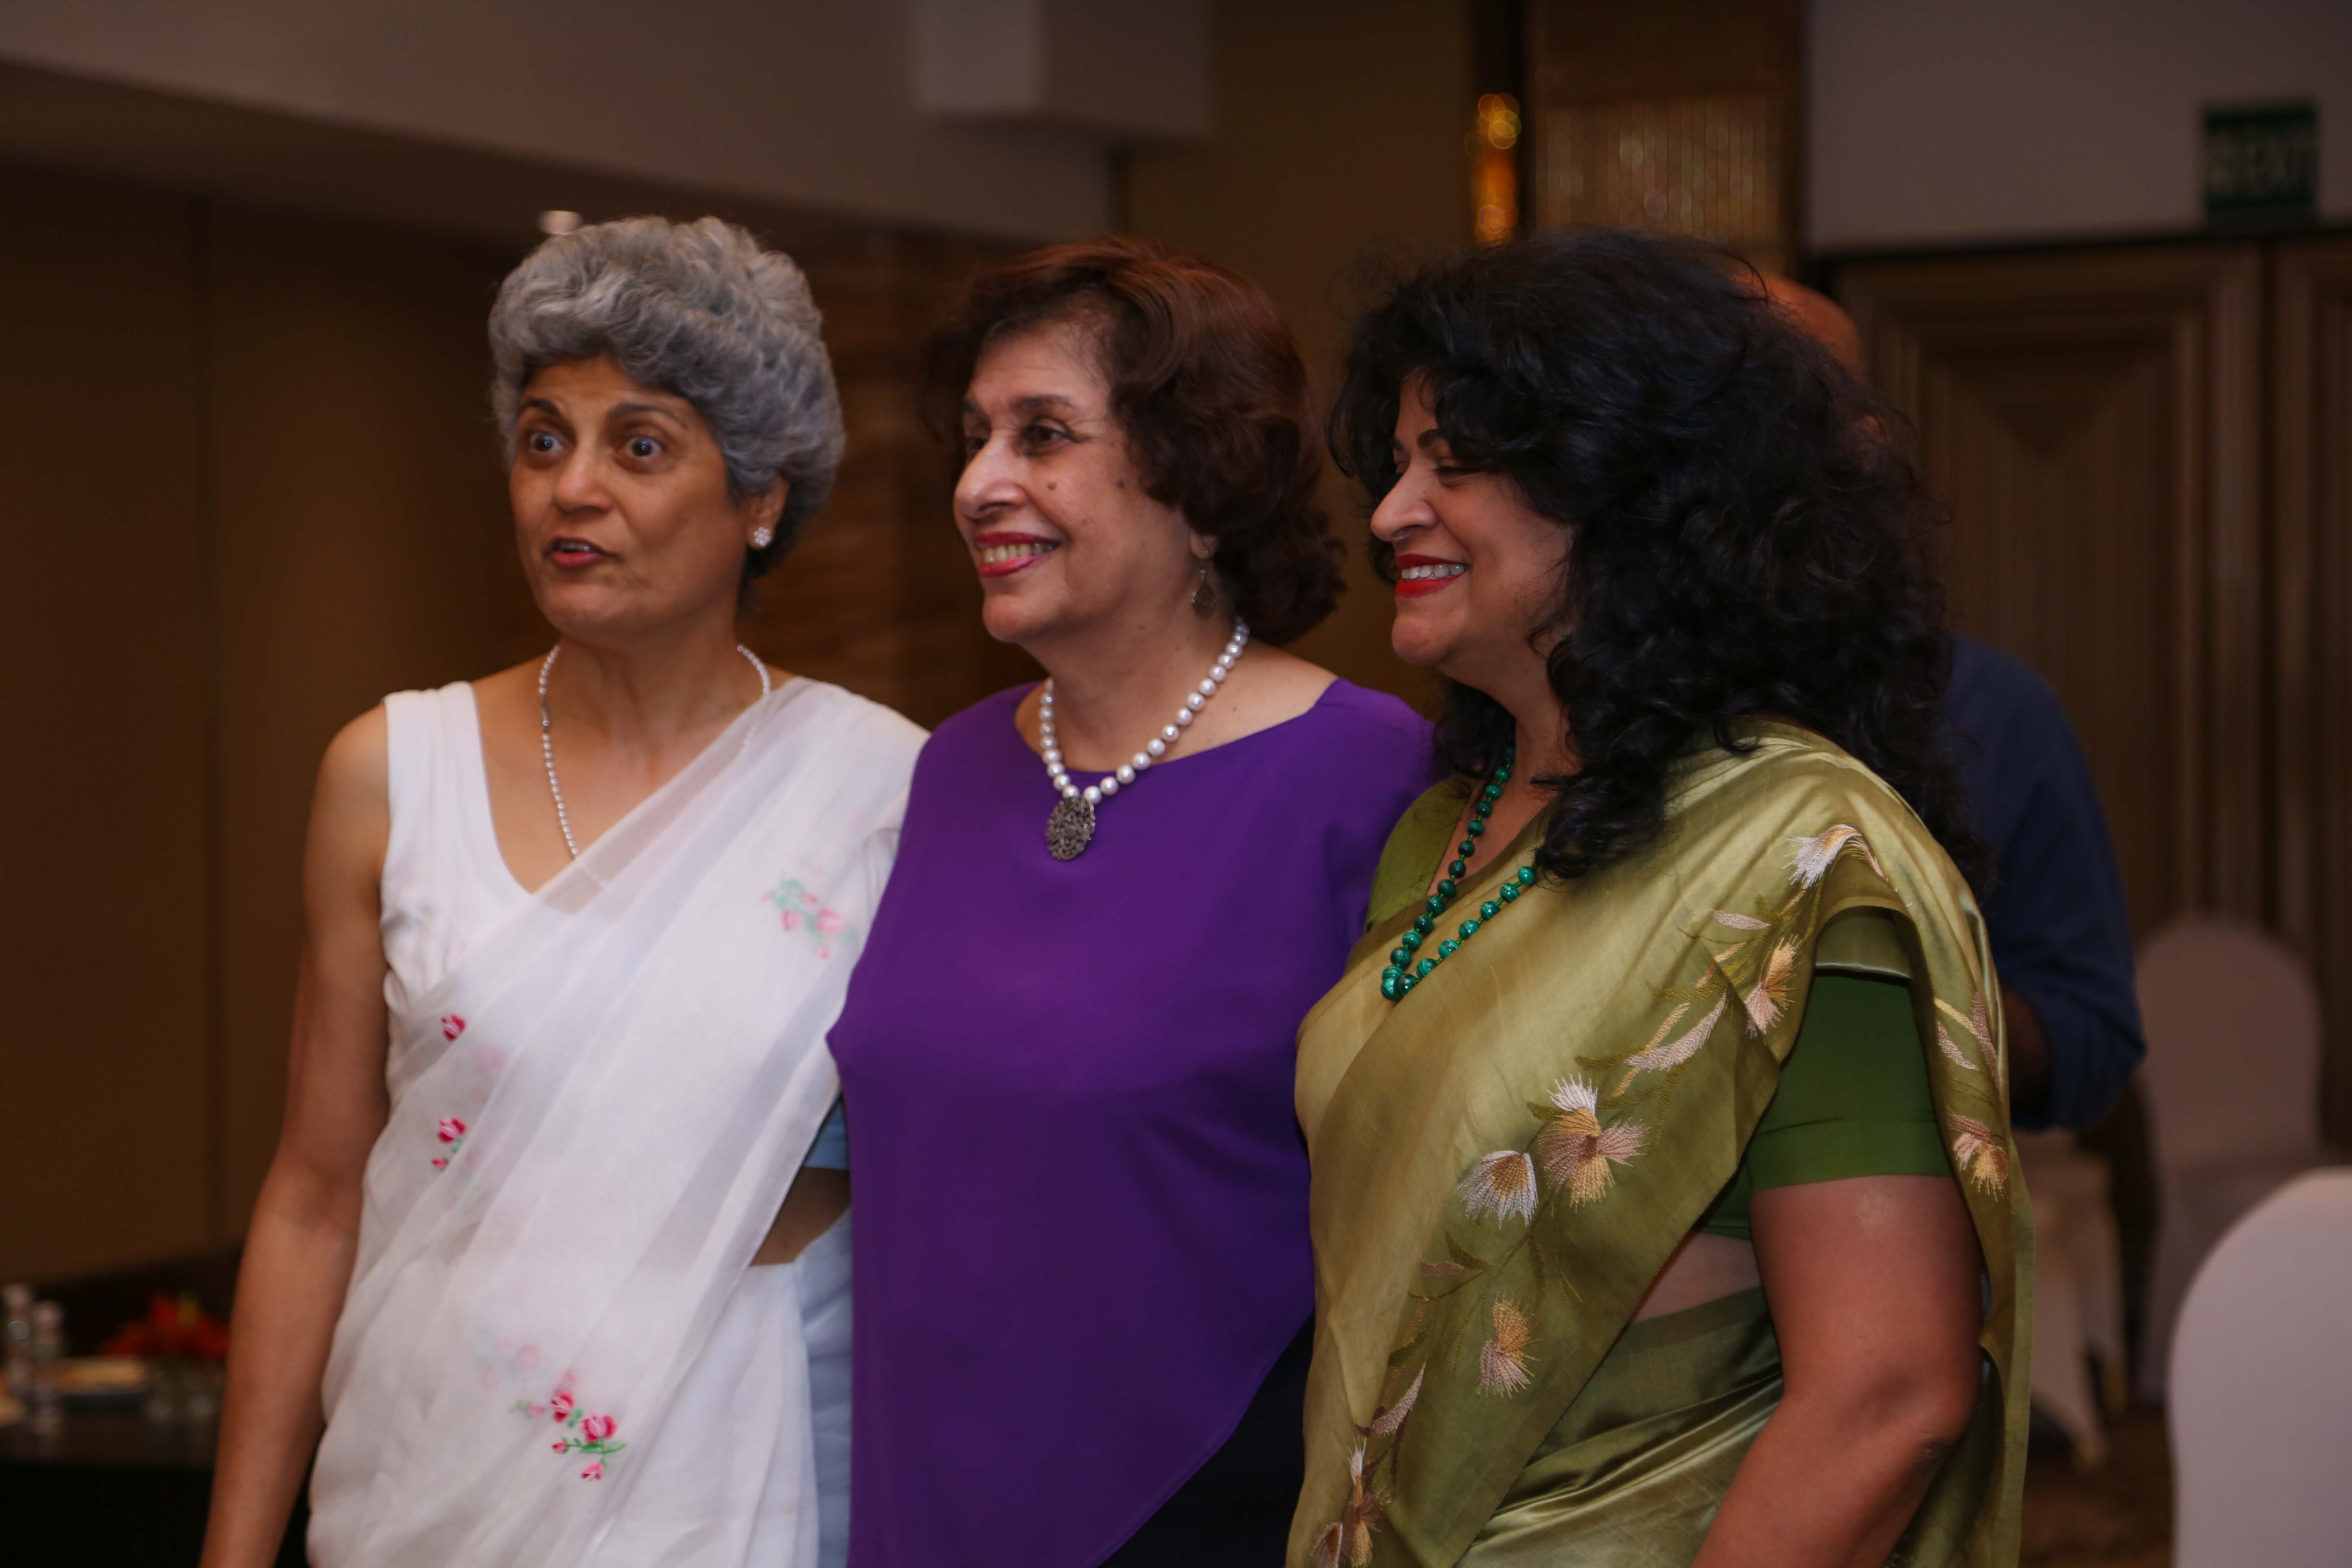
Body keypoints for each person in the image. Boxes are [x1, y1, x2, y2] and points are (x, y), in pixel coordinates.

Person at [1291, 231, 2029, 1567]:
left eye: (1452, 463)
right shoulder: (1441, 836)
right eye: (1395, 465)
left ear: (1628, 490)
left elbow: (1887, 1398)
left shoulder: (1804, 858)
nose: (1393, 512)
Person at [200, 217, 919, 1568]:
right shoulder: (389, 774)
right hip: (433, 1468)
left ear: (761, 499)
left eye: (639, 447)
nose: (570, 489)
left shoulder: (882, 790)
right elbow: (314, 1195)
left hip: (745, 1468)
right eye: (543, 441)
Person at [826, 238, 1432, 1567]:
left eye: (1043, 435)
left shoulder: (1369, 775)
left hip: (1210, 1511)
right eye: (976, 438)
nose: (979, 485)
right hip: (923, 1501)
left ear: (1200, 482)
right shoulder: (954, 768)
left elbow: (1433, 1212)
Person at [1758, 275, 2147, 1130]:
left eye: (1833, 411)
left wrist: (1910, 994)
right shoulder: (1557, 706)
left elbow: (2093, 1036)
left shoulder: (1989, 706)